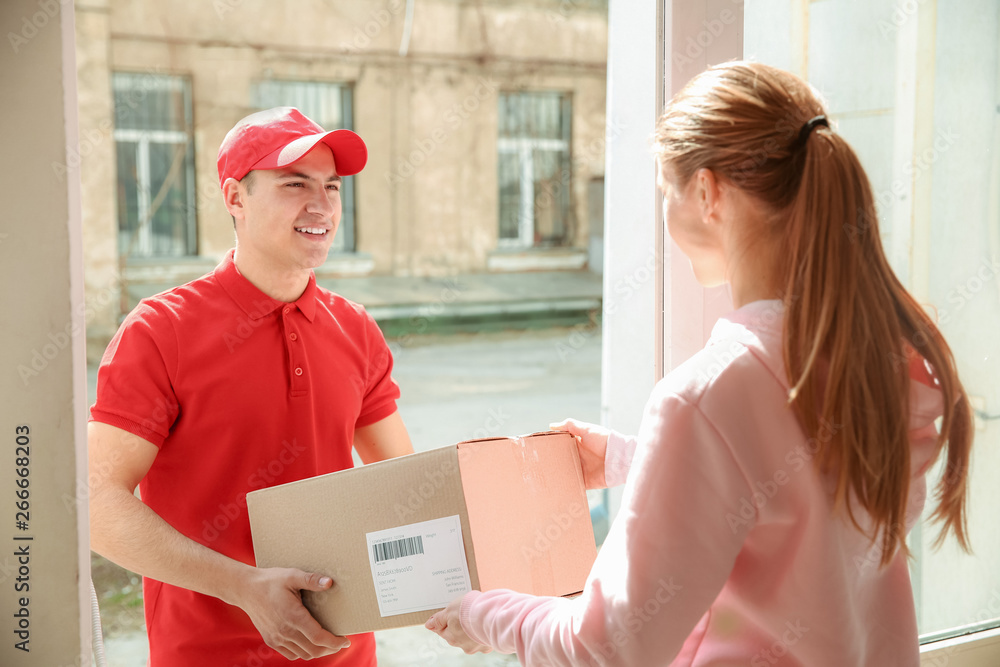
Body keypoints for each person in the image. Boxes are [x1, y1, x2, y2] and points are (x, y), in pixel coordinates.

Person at [425, 61, 973, 665]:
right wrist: (626, 459)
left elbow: (608, 645)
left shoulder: (708, 395)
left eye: (667, 190)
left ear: (708, 193)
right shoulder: (880, 360)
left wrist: (485, 612)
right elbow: (793, 494)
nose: (665, 215)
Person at [89, 107, 414, 666]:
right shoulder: (160, 331)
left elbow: (406, 486)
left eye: (331, 187)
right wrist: (243, 587)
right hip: (205, 654)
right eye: (295, 184)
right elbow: (94, 504)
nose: (321, 206)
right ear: (235, 198)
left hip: (343, 654)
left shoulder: (356, 329)